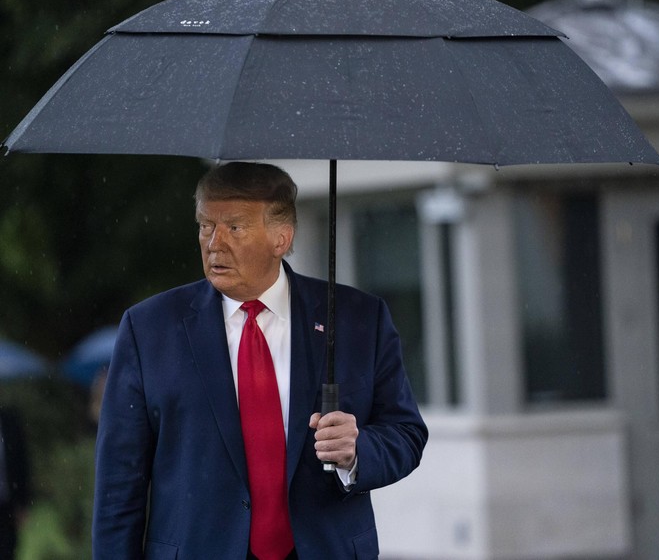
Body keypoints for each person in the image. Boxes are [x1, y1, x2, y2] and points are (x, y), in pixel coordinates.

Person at [93, 162, 427, 559]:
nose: (214, 243)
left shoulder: (357, 319)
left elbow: (406, 433)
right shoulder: (148, 329)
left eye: (234, 227)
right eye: (205, 226)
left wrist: (357, 451)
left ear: (280, 238)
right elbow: (119, 484)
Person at [0, 407, 31, 560]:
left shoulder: (10, 421)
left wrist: (23, 503)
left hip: (7, 504)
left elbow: (22, 463)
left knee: (7, 551)